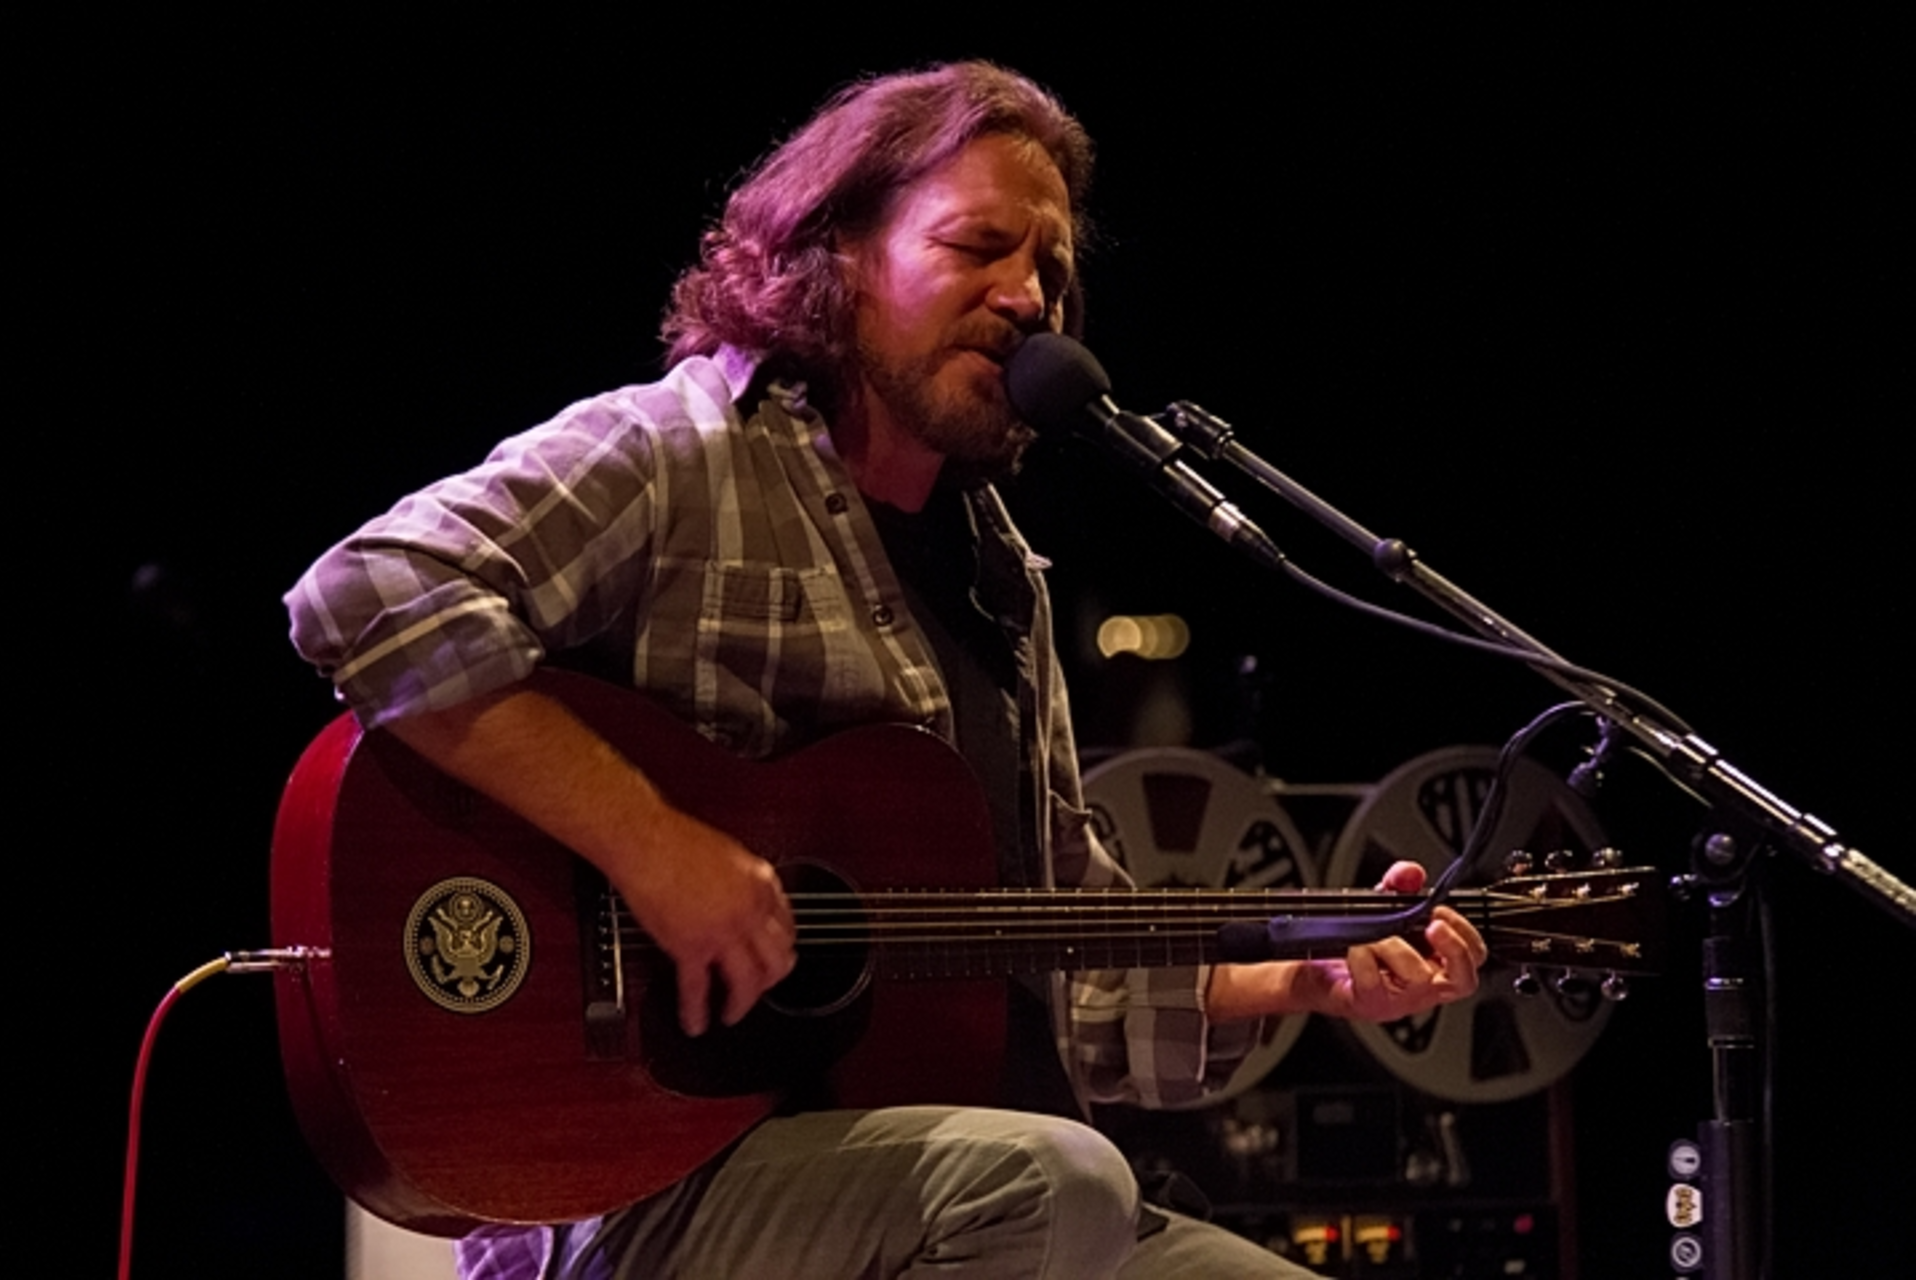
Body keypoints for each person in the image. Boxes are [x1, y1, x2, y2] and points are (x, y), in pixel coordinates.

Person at [287, 62, 1486, 1279]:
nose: (1028, 298)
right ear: (839, 254)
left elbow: (1056, 949)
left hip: (959, 1181)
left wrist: (1309, 973)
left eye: (1054, 273)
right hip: (656, 1187)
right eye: (979, 247)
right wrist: (654, 846)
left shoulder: (1000, 576)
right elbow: (364, 594)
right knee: (1052, 1178)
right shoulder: (675, 450)